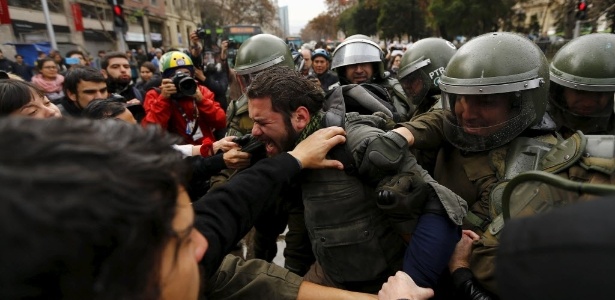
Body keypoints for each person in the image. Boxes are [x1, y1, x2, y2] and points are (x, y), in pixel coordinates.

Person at [0, 116, 377, 300]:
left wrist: (293, 160)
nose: (202, 246)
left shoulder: (147, 255)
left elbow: (226, 211)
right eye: (180, 241)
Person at [391, 32, 614, 297]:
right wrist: (395, 138)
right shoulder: (453, 129)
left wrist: (460, 266)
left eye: (486, 100)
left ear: (521, 102)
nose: (467, 112)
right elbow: (439, 118)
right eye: (460, 98)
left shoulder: (545, 162)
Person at [245, 66, 466, 293]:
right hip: (330, 277)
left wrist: (409, 284)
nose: (254, 132)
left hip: (381, 287)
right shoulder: (288, 150)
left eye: (262, 122)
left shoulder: (355, 142)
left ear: (300, 117)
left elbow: (442, 204)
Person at [142, 51, 226, 154]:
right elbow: (151, 131)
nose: (181, 77)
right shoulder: (155, 95)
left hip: (206, 150)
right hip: (176, 155)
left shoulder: (201, 90)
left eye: (186, 73)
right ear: (165, 78)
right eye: (175, 75)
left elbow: (221, 121)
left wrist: (202, 101)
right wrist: (163, 99)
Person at [331, 34, 413, 121]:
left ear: (374, 66)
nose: (359, 70)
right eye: (352, 65)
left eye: (364, 64)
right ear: (343, 69)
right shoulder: (334, 93)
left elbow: (408, 118)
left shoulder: (393, 88)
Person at [548, 33, 615, 135]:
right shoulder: (541, 120)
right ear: (562, 90)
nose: (588, 103)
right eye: (580, 92)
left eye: (599, 94)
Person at [397, 37, 457, 118]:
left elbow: (425, 124)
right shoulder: (425, 104)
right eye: (405, 81)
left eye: (411, 79)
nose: (407, 85)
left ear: (435, 72)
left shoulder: (447, 107)